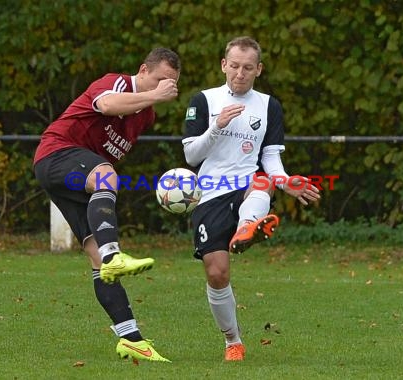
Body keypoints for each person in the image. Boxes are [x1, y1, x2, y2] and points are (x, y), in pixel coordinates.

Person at [33, 47, 181, 363]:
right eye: (159, 79)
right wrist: (154, 95)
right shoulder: (116, 83)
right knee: (107, 176)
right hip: (57, 153)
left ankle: (131, 339)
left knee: (95, 257)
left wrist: (150, 100)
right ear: (143, 70)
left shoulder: (147, 115)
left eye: (171, 83)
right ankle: (114, 254)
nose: (164, 86)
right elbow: (108, 105)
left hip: (75, 172)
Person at [182, 36, 321, 361]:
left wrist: (287, 183)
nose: (240, 73)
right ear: (223, 65)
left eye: (247, 68)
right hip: (210, 191)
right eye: (234, 66)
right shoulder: (203, 100)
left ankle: (248, 228)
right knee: (217, 273)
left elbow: (270, 159)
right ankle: (233, 341)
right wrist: (217, 126)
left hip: (248, 184)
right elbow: (191, 155)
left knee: (261, 179)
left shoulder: (269, 105)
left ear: (258, 69)